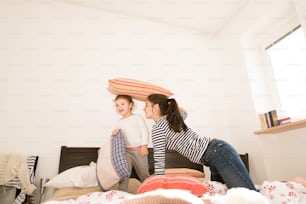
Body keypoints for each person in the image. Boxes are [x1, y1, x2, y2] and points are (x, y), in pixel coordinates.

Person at [143, 93, 256, 190]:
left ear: (156, 107)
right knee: (222, 195)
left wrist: (157, 186)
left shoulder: (159, 128)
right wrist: (168, 103)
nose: (143, 109)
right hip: (214, 154)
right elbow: (184, 112)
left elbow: (159, 160)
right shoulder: (172, 119)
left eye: (146, 105)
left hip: (217, 152)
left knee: (246, 193)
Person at [112, 95, 150, 192]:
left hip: (139, 150)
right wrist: (115, 133)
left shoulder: (137, 118)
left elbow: (144, 131)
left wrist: (144, 145)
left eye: (122, 104)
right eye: (117, 105)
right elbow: (119, 137)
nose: (119, 107)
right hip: (126, 152)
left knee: (144, 173)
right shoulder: (119, 122)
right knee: (124, 175)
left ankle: (151, 191)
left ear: (130, 105)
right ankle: (122, 194)